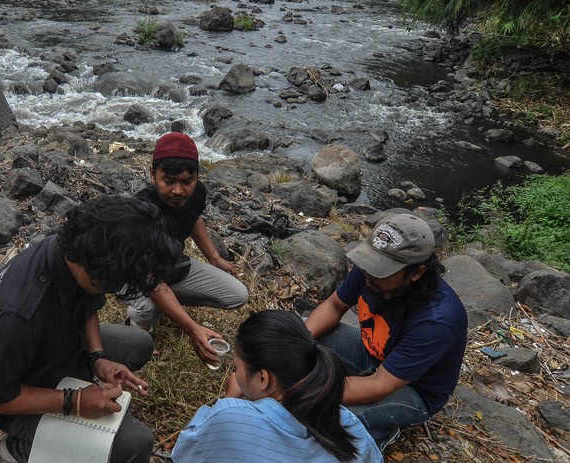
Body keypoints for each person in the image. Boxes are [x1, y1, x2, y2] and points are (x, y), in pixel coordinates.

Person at [0, 195, 183, 463]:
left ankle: (76, 389)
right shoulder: (13, 317)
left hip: (55, 352)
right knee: (134, 445)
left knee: (137, 343)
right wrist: (73, 402)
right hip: (13, 398)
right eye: (115, 283)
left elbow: (87, 304)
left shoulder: (76, 252)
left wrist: (97, 358)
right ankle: (22, 447)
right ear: (98, 269)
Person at [305, 213, 467, 449]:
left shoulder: (438, 319)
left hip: (413, 390)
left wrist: (303, 391)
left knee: (329, 420)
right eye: (370, 263)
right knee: (298, 333)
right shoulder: (372, 273)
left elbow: (378, 385)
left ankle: (381, 433)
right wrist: (292, 348)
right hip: (373, 355)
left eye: (382, 270)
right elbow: (334, 305)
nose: (369, 273)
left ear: (417, 272)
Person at [173, 310, 382, 463]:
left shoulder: (227, 417)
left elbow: (185, 453)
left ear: (263, 379)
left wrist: (230, 400)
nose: (236, 375)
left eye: (238, 368)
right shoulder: (348, 424)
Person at [129, 132, 248, 367]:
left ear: (196, 176)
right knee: (146, 308)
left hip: (172, 265)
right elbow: (152, 281)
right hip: (138, 275)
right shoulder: (142, 212)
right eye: (169, 181)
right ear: (153, 175)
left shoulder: (196, 193)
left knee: (238, 295)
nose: (178, 190)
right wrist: (192, 328)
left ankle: (169, 304)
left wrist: (215, 258)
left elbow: (193, 219)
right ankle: (139, 331)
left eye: (186, 181)